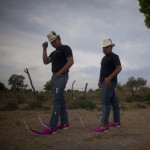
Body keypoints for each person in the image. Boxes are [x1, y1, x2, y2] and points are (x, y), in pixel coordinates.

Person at [42, 31, 74, 134]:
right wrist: (44, 49)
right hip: (54, 77)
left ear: (59, 39)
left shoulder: (65, 48)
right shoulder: (54, 52)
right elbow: (46, 61)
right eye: (51, 42)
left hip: (61, 76)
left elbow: (71, 61)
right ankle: (65, 123)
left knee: (56, 101)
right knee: (59, 100)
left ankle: (52, 127)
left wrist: (60, 72)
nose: (53, 43)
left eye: (54, 41)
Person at [98, 39, 122, 132]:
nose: (104, 49)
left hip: (110, 82)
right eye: (103, 47)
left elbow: (119, 68)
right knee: (114, 102)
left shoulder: (114, 56)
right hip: (104, 81)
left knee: (105, 102)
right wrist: (100, 79)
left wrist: (109, 78)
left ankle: (104, 125)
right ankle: (117, 122)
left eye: (106, 47)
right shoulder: (103, 58)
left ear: (111, 47)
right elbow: (102, 70)